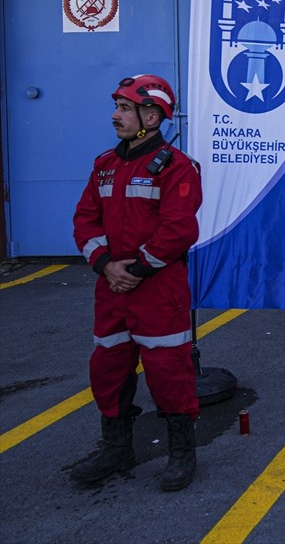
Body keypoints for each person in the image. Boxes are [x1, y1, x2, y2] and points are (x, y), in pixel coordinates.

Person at [71, 74, 203, 490]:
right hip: (111, 287)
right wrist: (106, 264)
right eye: (118, 107)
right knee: (107, 367)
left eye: (125, 108)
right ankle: (116, 447)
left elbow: (179, 228)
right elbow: (85, 220)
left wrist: (138, 269)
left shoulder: (177, 167)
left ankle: (181, 451)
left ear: (152, 114)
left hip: (158, 288)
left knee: (168, 368)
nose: (116, 116)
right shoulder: (104, 166)